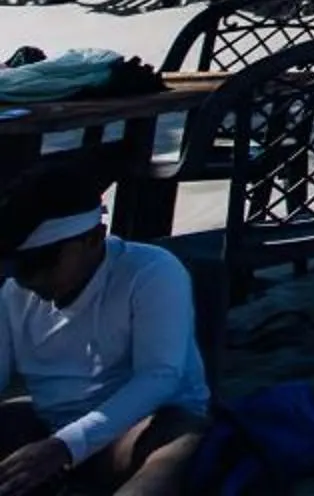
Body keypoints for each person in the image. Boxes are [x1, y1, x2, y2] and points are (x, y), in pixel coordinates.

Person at [0, 155, 207, 495]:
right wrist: (56, 443)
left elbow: (159, 378)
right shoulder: (14, 293)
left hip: (135, 429)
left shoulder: (151, 272)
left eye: (44, 262)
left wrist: (66, 446)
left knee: (177, 440)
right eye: (20, 267)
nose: (31, 279)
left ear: (95, 238)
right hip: (51, 427)